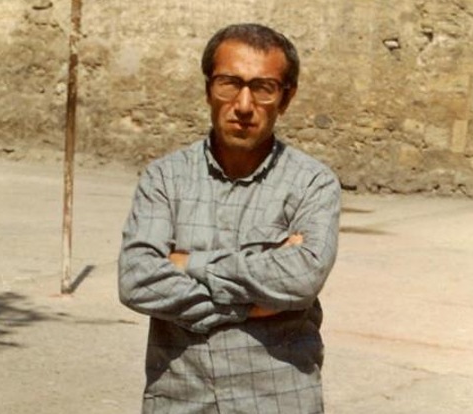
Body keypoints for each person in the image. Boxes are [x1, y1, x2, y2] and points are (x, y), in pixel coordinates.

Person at [118, 23, 341, 413]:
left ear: (286, 98)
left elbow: (302, 278)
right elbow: (137, 280)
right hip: (180, 398)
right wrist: (252, 304)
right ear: (208, 89)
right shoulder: (164, 178)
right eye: (229, 84)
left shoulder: (313, 183)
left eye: (263, 88)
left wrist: (187, 264)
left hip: (278, 400)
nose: (243, 105)